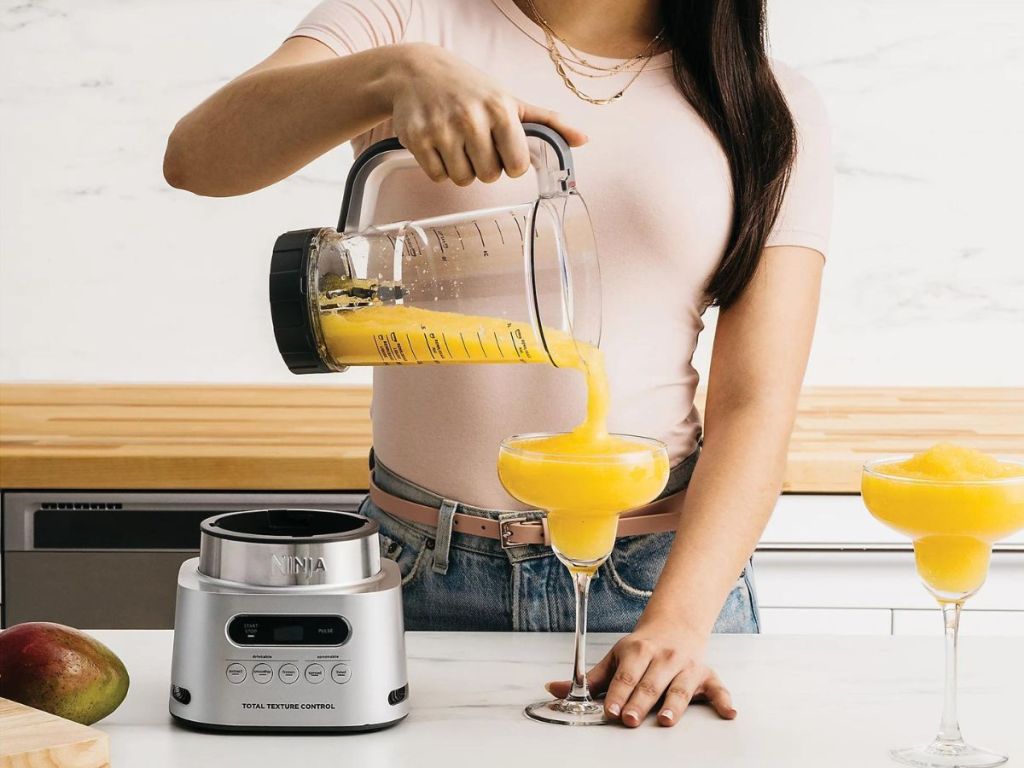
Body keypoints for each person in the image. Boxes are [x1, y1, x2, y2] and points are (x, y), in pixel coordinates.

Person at [164, 0, 831, 729]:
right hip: (418, 569)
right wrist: (392, 75)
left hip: (657, 585)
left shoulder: (766, 102)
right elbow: (198, 159)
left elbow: (756, 403)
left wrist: (678, 621)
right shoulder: (405, 21)